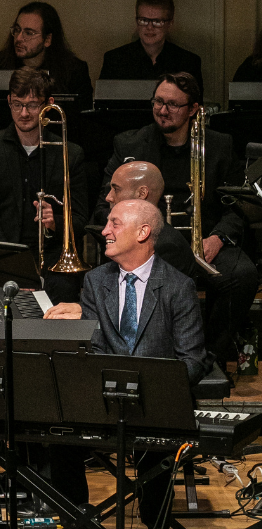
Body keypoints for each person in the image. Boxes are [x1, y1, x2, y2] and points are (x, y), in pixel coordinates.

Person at [46, 199, 214, 529]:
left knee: (155, 488)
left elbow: (193, 360)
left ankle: (156, 518)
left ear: (143, 232)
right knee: (57, 429)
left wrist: (152, 388)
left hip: (157, 405)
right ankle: (77, 514)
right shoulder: (95, 281)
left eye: (115, 224)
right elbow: (93, 347)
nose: (105, 231)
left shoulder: (178, 287)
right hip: (106, 400)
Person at [96, 72, 257, 364]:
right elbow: (103, 204)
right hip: (150, 244)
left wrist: (218, 239)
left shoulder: (219, 145)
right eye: (158, 101)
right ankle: (154, 356)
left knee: (242, 275)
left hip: (205, 241)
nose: (163, 110)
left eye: (173, 104)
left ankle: (209, 356)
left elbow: (236, 205)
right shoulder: (130, 144)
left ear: (193, 109)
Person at [0, 67, 88, 304]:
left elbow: (82, 218)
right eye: (17, 104)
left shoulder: (70, 154)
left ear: (49, 103)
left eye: (32, 105)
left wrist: (56, 222)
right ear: (8, 102)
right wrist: (15, 263)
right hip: (3, 258)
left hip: (55, 261)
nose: (24, 113)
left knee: (62, 303)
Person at [0, 2, 93, 108]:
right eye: (17, 30)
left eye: (29, 33)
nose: (19, 38)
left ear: (47, 39)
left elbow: (82, 122)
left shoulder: (74, 71)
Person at [99, 0, 203, 91]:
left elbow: (193, 108)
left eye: (157, 22)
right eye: (144, 20)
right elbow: (104, 108)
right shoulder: (114, 60)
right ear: (136, 21)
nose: (149, 27)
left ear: (170, 23)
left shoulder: (188, 63)